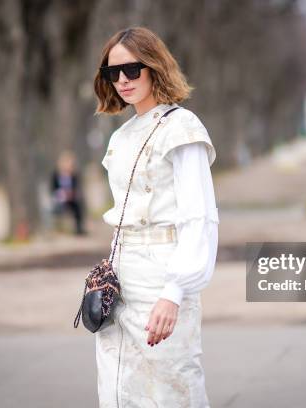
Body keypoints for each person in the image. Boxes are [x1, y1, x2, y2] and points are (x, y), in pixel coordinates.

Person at [92, 27, 218, 407]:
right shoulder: (121, 136)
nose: (123, 80)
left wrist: (175, 291)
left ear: (154, 67)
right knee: (118, 388)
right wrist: (107, 273)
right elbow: (123, 212)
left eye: (132, 69)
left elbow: (199, 217)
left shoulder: (183, 127)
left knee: (170, 385)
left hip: (163, 273)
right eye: (113, 72)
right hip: (122, 276)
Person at [51, 151, 86, 235]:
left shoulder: (74, 175)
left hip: (71, 198)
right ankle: (58, 229)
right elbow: (53, 189)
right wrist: (62, 193)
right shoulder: (56, 175)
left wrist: (71, 194)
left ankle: (78, 228)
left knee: (77, 206)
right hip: (60, 198)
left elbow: (76, 188)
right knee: (57, 206)